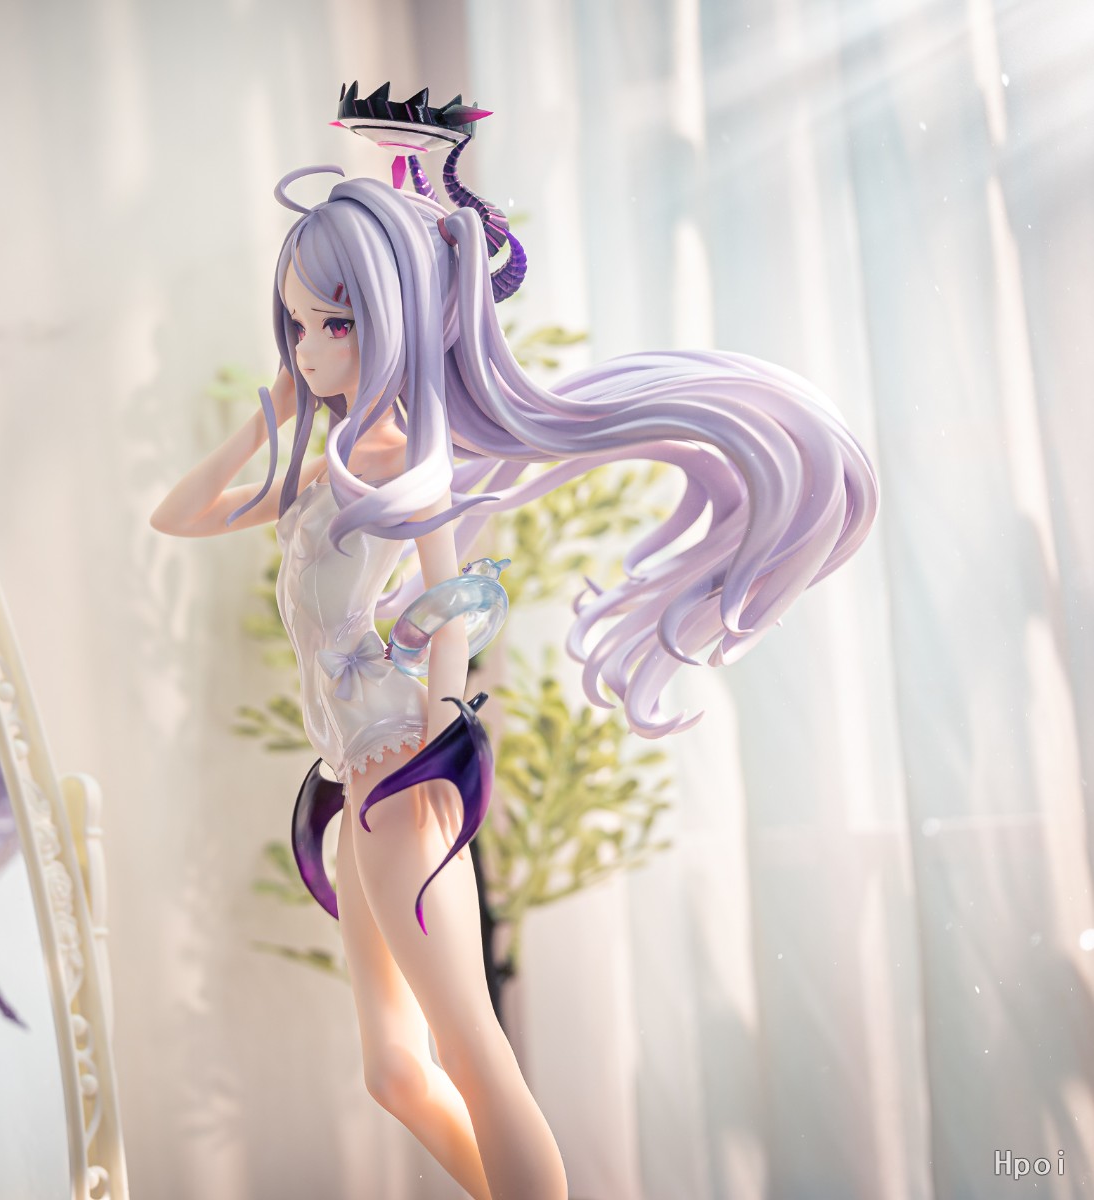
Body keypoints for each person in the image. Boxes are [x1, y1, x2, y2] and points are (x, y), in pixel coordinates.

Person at [151, 129, 876, 1199]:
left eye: (333, 324)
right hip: (352, 773)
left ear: (389, 325)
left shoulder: (400, 463)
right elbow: (178, 516)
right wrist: (269, 415)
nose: (308, 348)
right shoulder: (321, 467)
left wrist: (430, 737)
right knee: (394, 1072)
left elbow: (451, 607)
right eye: (296, 325)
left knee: (472, 1055)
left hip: (393, 773)